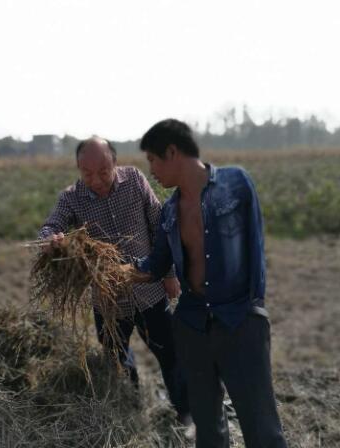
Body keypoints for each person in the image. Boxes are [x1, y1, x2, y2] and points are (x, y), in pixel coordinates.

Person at [125, 119, 288, 448]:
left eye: (153, 160)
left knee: (261, 425)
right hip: (193, 324)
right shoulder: (170, 211)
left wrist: (253, 311)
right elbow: (155, 266)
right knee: (208, 428)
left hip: (239, 319)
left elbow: (255, 247)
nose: (152, 171)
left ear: (172, 152)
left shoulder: (236, 183)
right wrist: (113, 270)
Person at [38, 136, 190, 421]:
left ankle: (187, 414)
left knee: (171, 355)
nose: (96, 180)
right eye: (87, 174)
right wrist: (50, 239)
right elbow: (51, 225)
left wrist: (169, 273)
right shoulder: (71, 198)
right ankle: (132, 415)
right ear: (79, 169)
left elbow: (159, 226)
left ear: (115, 163)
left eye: (103, 172)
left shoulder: (134, 181)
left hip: (149, 292)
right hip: (109, 302)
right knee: (118, 362)